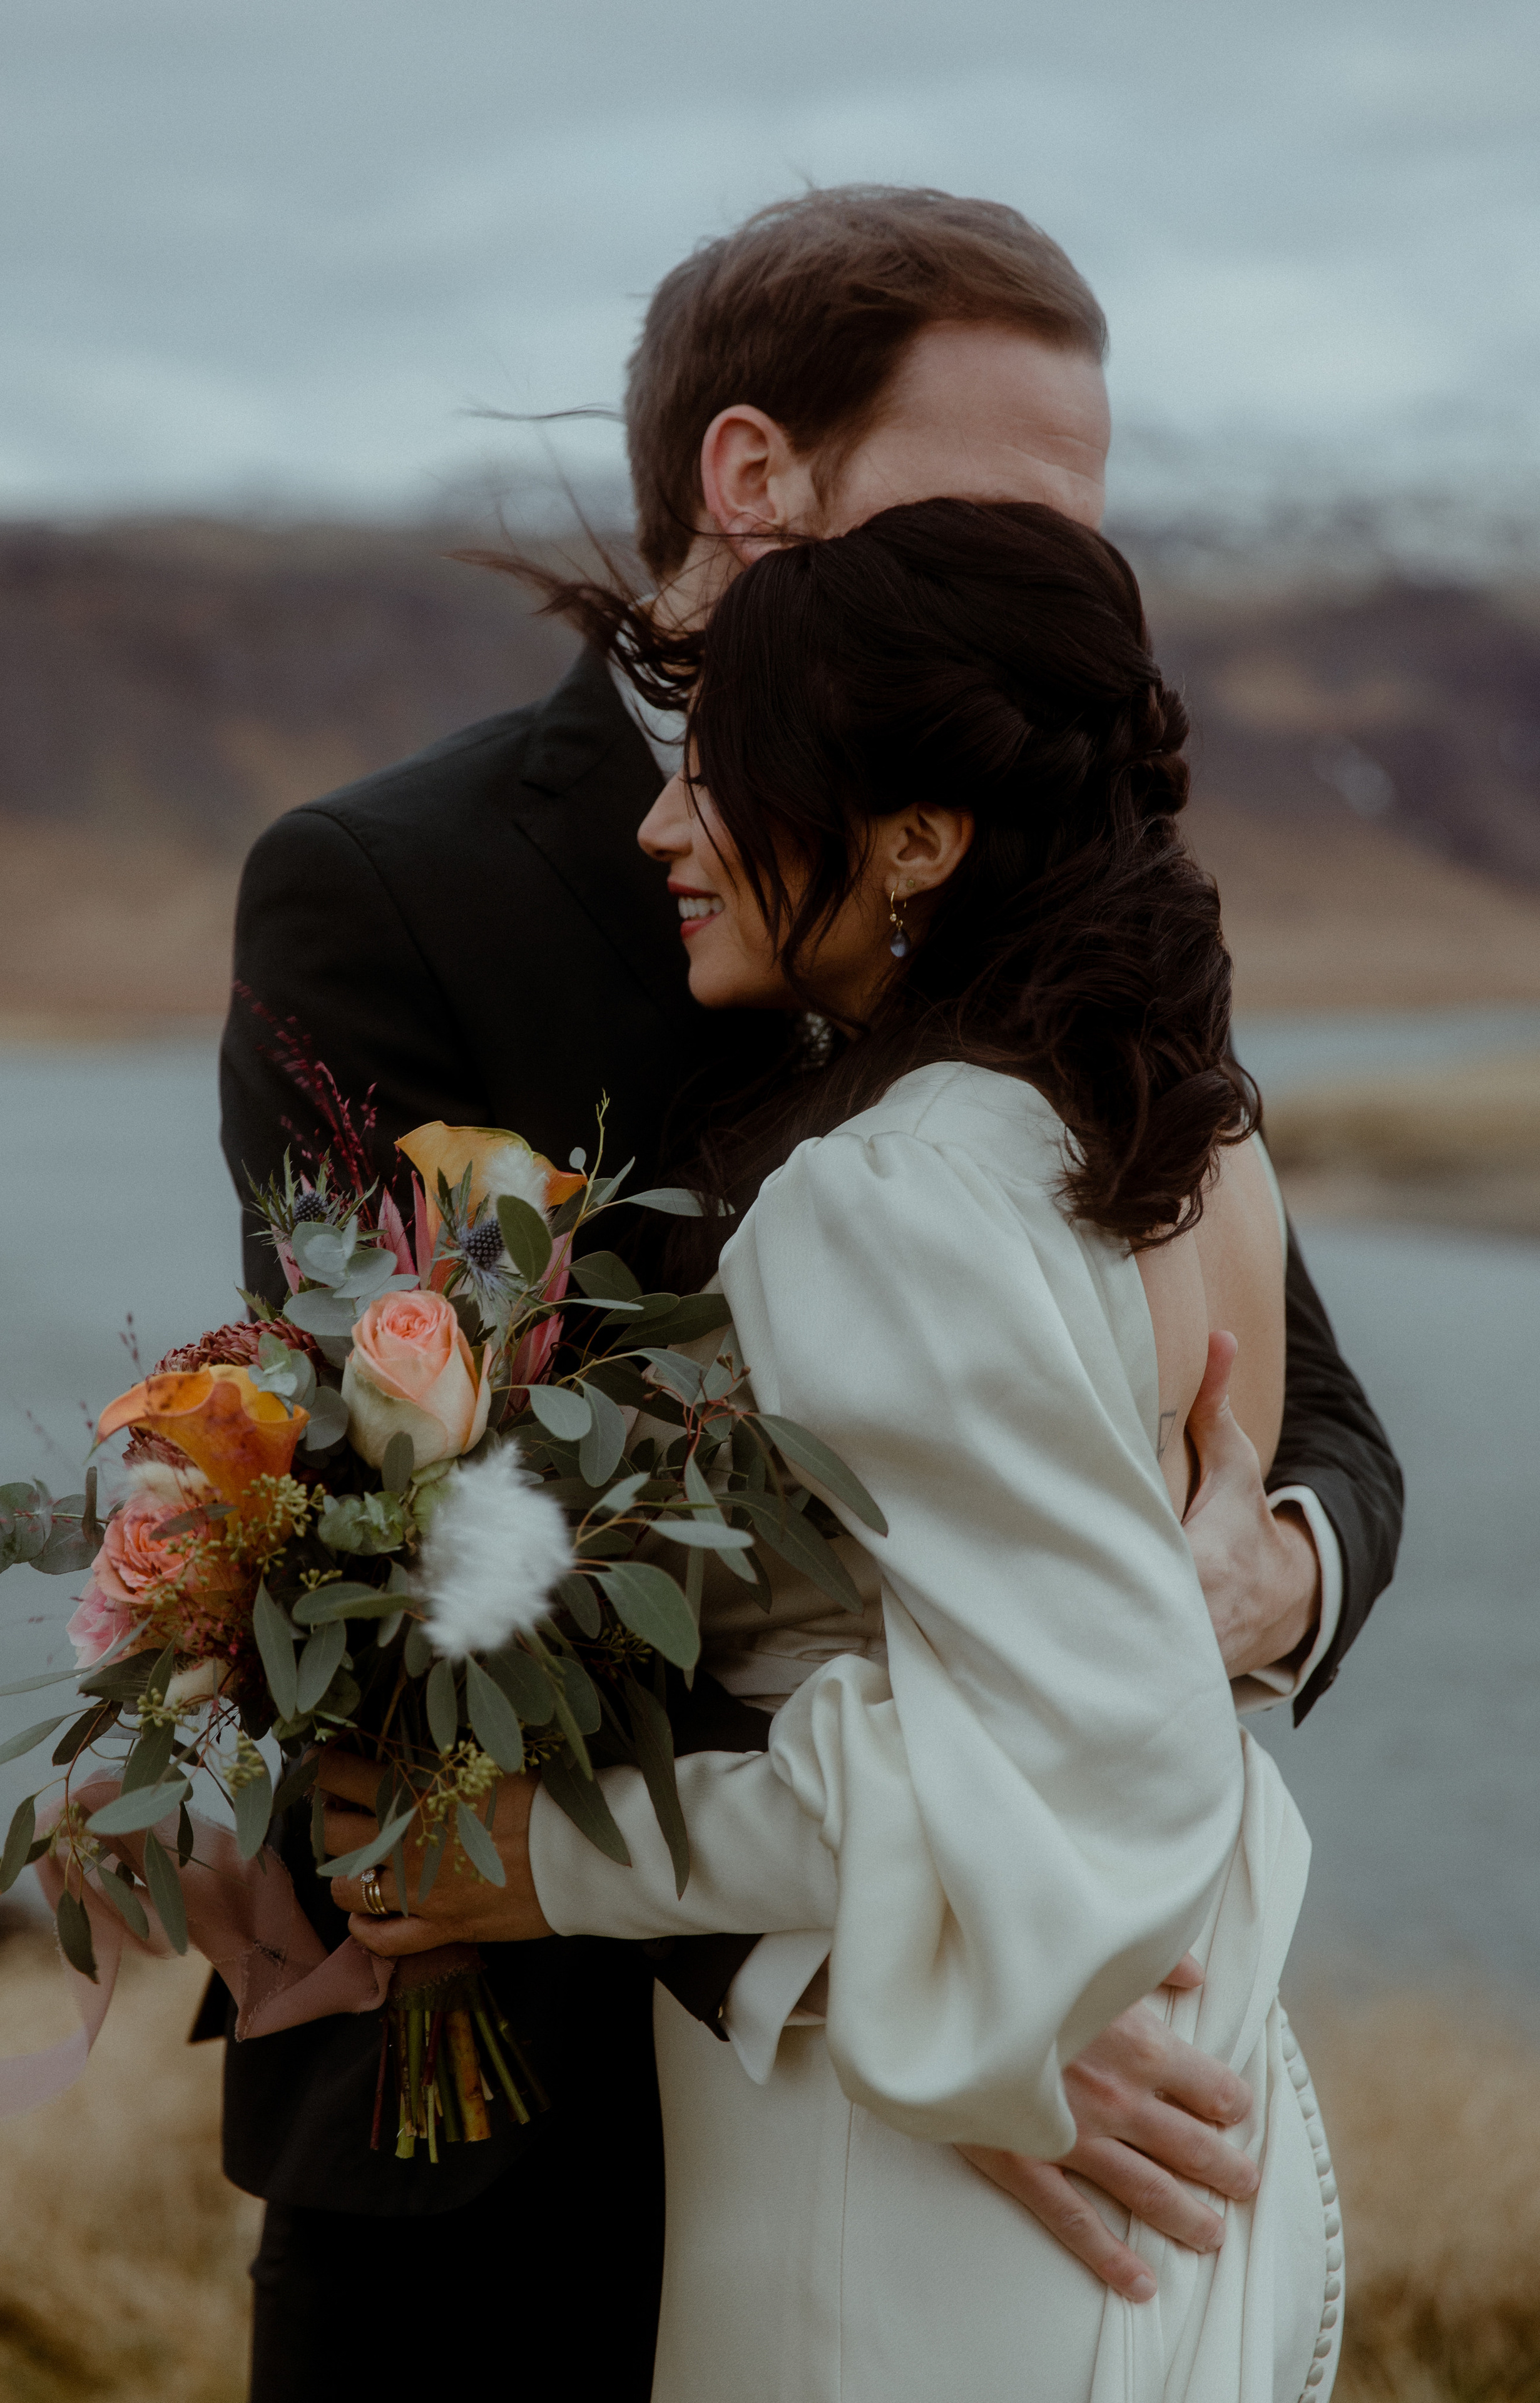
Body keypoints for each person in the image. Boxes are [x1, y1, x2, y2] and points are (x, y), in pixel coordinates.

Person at [217, 186, 1399, 2396]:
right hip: (520, 2129)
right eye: (1000, 509)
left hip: (1001, 2133)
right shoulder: (395, 891)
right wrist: (910, 1985)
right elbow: (385, 1534)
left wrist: (1258, 1584)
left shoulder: (1053, 864)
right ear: (754, 481)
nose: (1071, 591)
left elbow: (1311, 1420)